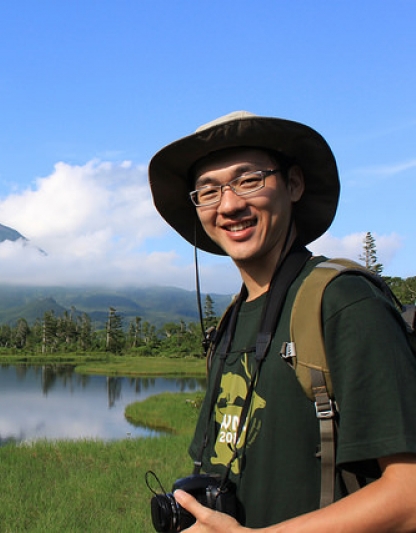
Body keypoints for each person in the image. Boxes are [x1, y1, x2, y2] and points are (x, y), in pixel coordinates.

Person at [147, 111, 416, 532]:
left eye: (249, 179)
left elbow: (410, 495)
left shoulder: (343, 302)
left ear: (293, 184)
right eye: (208, 190)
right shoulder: (231, 321)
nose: (231, 204)